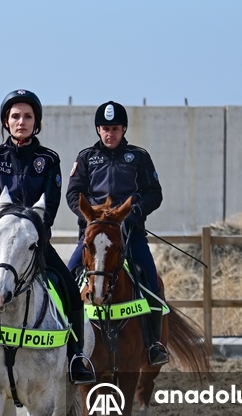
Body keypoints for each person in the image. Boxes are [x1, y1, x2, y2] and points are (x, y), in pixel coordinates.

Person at [0, 89, 96, 388]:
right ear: (6, 122)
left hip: (32, 242)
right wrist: (5, 227)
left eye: (27, 116)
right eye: (15, 116)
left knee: (67, 289)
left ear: (36, 122)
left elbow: (50, 206)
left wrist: (28, 231)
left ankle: (76, 357)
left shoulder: (48, 160)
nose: (21, 121)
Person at [65, 100, 168, 366]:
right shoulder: (86, 157)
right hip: (94, 236)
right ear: (98, 130)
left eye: (115, 128)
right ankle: (66, 343)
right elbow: (73, 194)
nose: (110, 134)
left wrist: (133, 214)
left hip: (130, 235)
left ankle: (154, 344)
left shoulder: (139, 157)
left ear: (124, 129)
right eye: (105, 128)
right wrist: (92, 219)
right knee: (65, 280)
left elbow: (154, 193)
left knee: (152, 283)